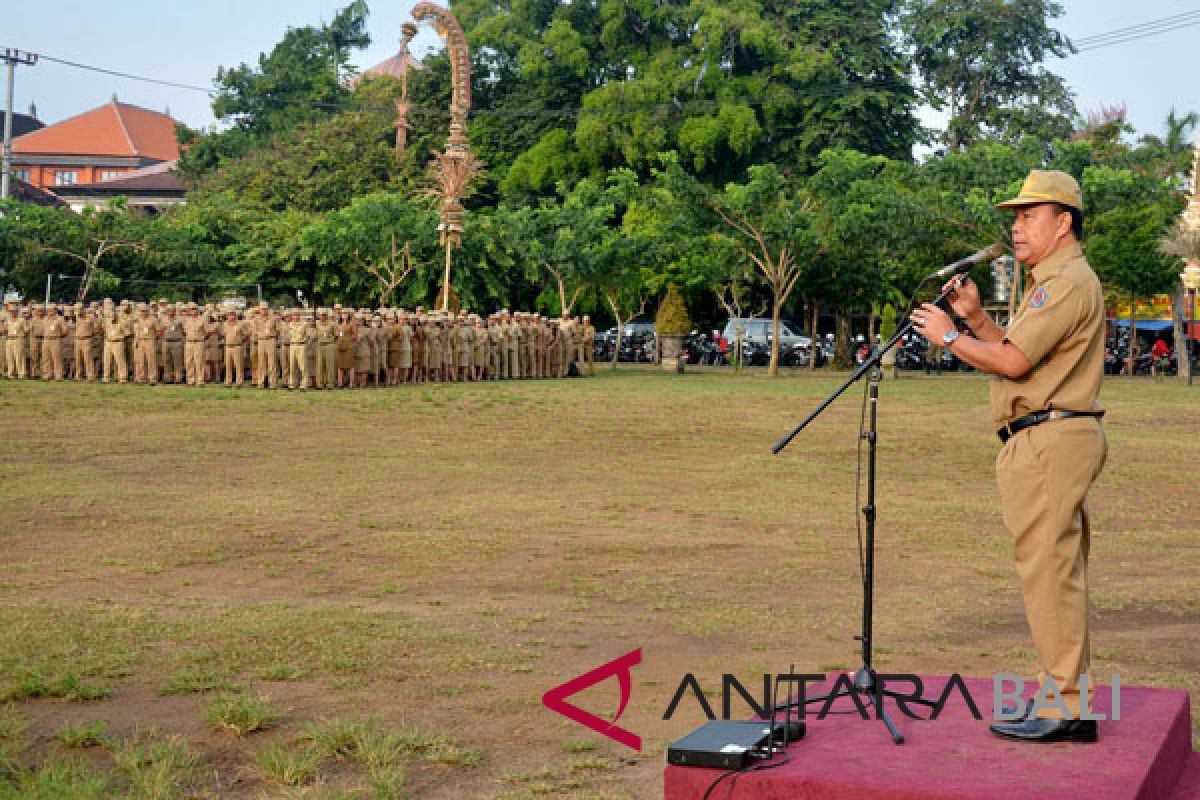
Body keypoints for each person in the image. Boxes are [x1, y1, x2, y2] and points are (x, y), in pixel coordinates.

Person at [910, 170, 1106, 744]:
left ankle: (1066, 706)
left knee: (1049, 573)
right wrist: (973, 319)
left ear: (1062, 222)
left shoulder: (1065, 282)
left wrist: (947, 337)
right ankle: (1059, 695)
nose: (1015, 227)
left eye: (1028, 216)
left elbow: (1015, 364)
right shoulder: (1049, 281)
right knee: (1050, 572)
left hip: (1051, 439)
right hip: (1045, 438)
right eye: (1014, 217)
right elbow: (1017, 349)